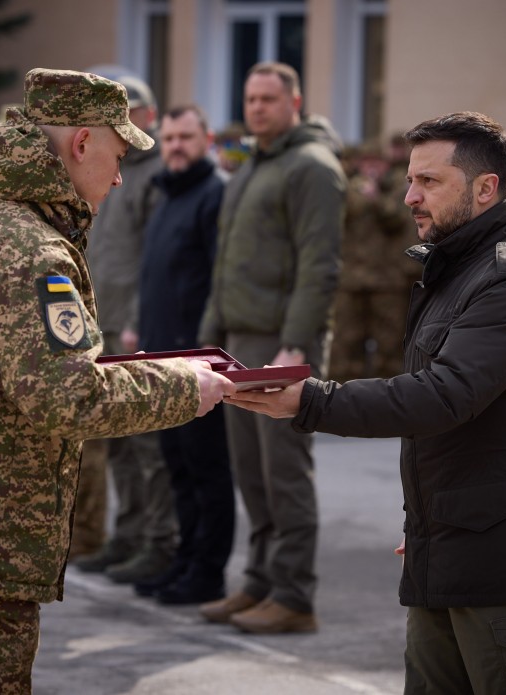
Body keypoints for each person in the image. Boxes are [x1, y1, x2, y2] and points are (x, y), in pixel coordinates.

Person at [0, 68, 235, 695]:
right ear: (82, 143)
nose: (119, 178)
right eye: (117, 156)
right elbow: (66, 395)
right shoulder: (29, 248)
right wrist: (185, 388)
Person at [226, 111, 506, 694]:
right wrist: (427, 526)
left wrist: (310, 401)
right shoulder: (456, 267)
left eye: (429, 182)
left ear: (485, 188)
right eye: (410, 179)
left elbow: (442, 397)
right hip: (446, 544)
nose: (408, 196)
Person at [197, 61, 347, 634]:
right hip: (239, 337)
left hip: (278, 341)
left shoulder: (311, 167)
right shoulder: (251, 168)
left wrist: (295, 345)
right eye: (250, 98)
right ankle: (260, 582)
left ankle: (294, 595)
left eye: (267, 98)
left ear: (295, 101)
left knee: (283, 469)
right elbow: (226, 263)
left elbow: (319, 266)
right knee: (251, 471)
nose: (256, 107)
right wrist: (212, 338)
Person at [72, 74, 178, 583]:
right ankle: (127, 534)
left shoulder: (156, 176)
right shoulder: (109, 171)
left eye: (129, 111)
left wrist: (137, 320)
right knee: (115, 441)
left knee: (146, 443)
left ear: (149, 117)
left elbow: (153, 262)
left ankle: (158, 541)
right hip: (101, 322)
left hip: (134, 326)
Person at [132, 104, 235, 605]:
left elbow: (220, 279)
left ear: (207, 139)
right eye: (168, 137)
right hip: (160, 358)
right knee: (176, 466)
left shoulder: (214, 194)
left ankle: (207, 571)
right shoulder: (164, 193)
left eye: (185, 137)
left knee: (206, 468)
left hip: (197, 362)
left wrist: (209, 354)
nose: (174, 146)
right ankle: (183, 559)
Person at [328, 138, 416, 382]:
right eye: (366, 162)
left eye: (375, 162)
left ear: (385, 164)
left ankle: (389, 404)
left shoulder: (401, 188)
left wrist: (376, 197)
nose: (371, 167)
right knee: (345, 347)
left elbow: (397, 219)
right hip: (351, 281)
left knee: (390, 348)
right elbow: (341, 215)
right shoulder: (348, 187)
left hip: (387, 281)